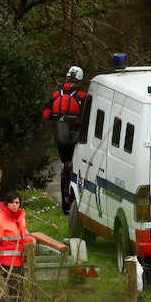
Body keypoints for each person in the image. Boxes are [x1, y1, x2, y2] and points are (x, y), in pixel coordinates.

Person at [0, 191, 67, 302]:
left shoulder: (20, 218)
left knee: (16, 291)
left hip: (19, 261)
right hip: (6, 263)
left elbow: (24, 235)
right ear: (6, 204)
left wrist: (31, 240)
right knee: (15, 292)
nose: (14, 205)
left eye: (17, 203)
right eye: (12, 203)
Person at [42, 66, 88, 214]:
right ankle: (74, 198)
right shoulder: (82, 96)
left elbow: (45, 115)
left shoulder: (56, 95)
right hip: (76, 138)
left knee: (64, 164)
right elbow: (87, 118)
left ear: (67, 78)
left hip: (60, 137)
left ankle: (65, 203)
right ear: (79, 81)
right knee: (75, 166)